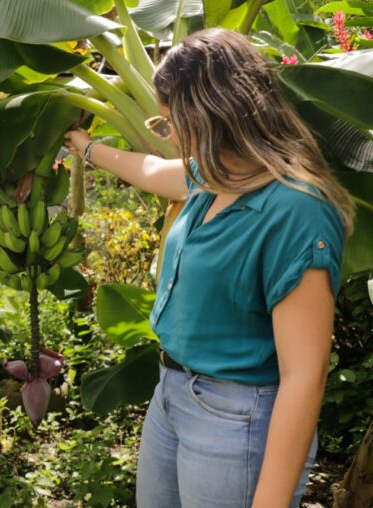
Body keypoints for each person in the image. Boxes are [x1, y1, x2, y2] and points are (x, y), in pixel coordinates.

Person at [63, 28, 354, 508]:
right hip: (172, 394)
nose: (169, 132)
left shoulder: (296, 211)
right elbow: (154, 173)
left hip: (237, 416)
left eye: (171, 119)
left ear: (213, 111)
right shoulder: (215, 173)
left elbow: (306, 375)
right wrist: (86, 147)